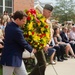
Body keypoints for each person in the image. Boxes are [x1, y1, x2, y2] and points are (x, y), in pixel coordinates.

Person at [0, 10, 36, 75]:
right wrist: (32, 49)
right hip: (10, 58)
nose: (24, 23)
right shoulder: (16, 30)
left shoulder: (9, 25)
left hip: (16, 57)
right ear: (17, 19)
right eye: (23, 21)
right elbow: (23, 42)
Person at [29, 4, 53, 75]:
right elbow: (33, 32)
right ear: (43, 11)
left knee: (40, 64)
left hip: (44, 45)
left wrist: (47, 44)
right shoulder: (37, 19)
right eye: (47, 12)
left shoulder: (49, 23)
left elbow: (50, 35)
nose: (49, 14)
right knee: (43, 64)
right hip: (37, 44)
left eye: (50, 12)